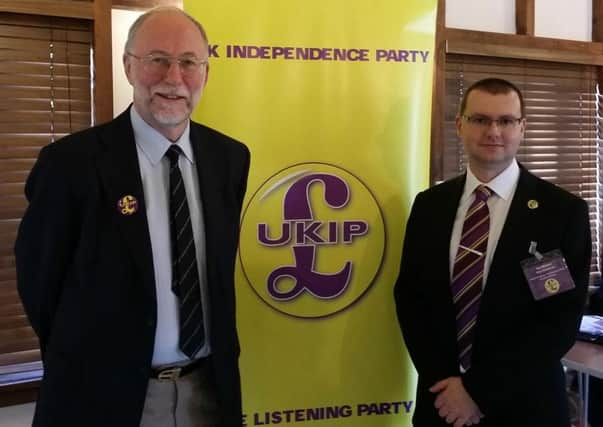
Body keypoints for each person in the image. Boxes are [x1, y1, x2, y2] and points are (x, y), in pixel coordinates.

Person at [15, 7, 249, 427]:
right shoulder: (70, 164)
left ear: (206, 72)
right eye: (156, 59)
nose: (173, 78)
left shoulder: (229, 159)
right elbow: (40, 286)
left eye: (188, 62)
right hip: (106, 397)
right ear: (128, 66)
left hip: (210, 394)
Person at [394, 78, 591, 427]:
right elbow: (412, 300)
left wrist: (477, 391)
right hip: (443, 405)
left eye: (506, 121)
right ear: (459, 125)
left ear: (523, 128)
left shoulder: (560, 211)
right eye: (480, 119)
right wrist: (449, 388)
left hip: (527, 406)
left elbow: (557, 319)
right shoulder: (429, 206)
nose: (494, 131)